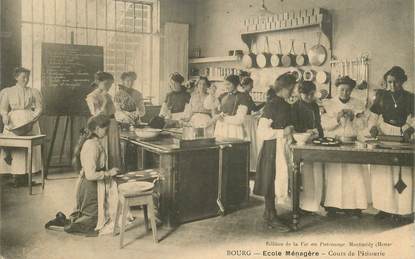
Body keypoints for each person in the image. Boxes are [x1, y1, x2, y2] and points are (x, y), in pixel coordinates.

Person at [45, 114, 119, 235]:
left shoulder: (94, 143)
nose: (107, 130)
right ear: (97, 129)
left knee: (95, 216)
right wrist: (109, 173)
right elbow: (90, 175)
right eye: (105, 127)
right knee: (93, 222)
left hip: (91, 185)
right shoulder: (92, 145)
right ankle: (64, 226)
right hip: (90, 187)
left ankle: (65, 221)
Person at [368, 66, 414, 223]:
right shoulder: (381, 96)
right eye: (389, 82)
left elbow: (414, 117)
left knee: (402, 172)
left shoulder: (410, 97)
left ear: (402, 82)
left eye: (395, 83)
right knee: (384, 173)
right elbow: (373, 116)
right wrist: (373, 127)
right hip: (384, 133)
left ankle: (402, 209)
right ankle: (384, 208)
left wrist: (411, 129)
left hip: (402, 134)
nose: (392, 86)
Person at [253, 73, 297, 232]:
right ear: (284, 88)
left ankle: (270, 213)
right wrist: (283, 132)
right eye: (291, 88)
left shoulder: (284, 104)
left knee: (276, 178)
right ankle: (270, 215)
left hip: (281, 146)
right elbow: (262, 131)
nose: (293, 91)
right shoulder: (272, 105)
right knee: (270, 179)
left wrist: (289, 132)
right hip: (272, 147)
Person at [321, 76, 368, 218]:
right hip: (335, 142)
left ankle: (353, 207)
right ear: (337, 89)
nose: (345, 93)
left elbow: (363, 126)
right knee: (335, 174)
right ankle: (333, 206)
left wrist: (354, 118)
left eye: (348, 90)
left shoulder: (358, 104)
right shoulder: (329, 103)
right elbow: (325, 125)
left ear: (352, 91)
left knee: (353, 175)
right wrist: (336, 118)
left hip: (352, 142)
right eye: (342, 90)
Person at [0, 67, 43, 187]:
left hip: (29, 120)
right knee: (16, 149)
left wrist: (34, 117)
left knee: (29, 148)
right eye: (23, 77)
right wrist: (4, 116)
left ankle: (26, 176)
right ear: (16, 77)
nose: (26, 79)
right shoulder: (8, 91)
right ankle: (16, 177)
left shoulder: (33, 91)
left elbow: (39, 107)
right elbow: (3, 108)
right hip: (13, 121)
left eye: (27, 77)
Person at [291, 81, 324, 213]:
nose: (310, 98)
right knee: (305, 175)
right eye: (307, 95)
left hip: (315, 141)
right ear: (300, 93)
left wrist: (320, 134)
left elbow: (319, 123)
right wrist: (306, 131)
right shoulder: (295, 107)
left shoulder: (315, 106)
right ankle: (303, 205)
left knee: (317, 173)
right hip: (302, 142)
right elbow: (294, 126)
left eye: (312, 94)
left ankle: (316, 203)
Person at [86, 71, 122, 170]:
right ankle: (105, 173)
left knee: (114, 150)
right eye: (106, 84)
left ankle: (115, 172)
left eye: (110, 84)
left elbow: (113, 111)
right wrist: (105, 102)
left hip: (113, 124)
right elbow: (96, 115)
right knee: (104, 149)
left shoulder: (108, 95)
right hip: (102, 126)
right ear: (98, 82)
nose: (109, 86)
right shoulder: (92, 96)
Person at [239, 77, 265, 172]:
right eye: (251, 85)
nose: (252, 87)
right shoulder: (245, 96)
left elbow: (253, 108)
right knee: (250, 141)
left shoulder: (245, 95)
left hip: (247, 120)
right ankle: (250, 167)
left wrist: (264, 103)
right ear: (245, 85)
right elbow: (253, 108)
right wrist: (265, 103)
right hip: (247, 120)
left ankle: (249, 166)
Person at [213, 75, 250, 140]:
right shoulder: (223, 95)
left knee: (232, 148)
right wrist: (211, 95)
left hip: (234, 129)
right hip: (221, 128)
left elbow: (240, 119)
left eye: (229, 84)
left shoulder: (242, 97)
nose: (226, 87)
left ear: (235, 84)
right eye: (225, 84)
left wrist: (224, 119)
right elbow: (209, 105)